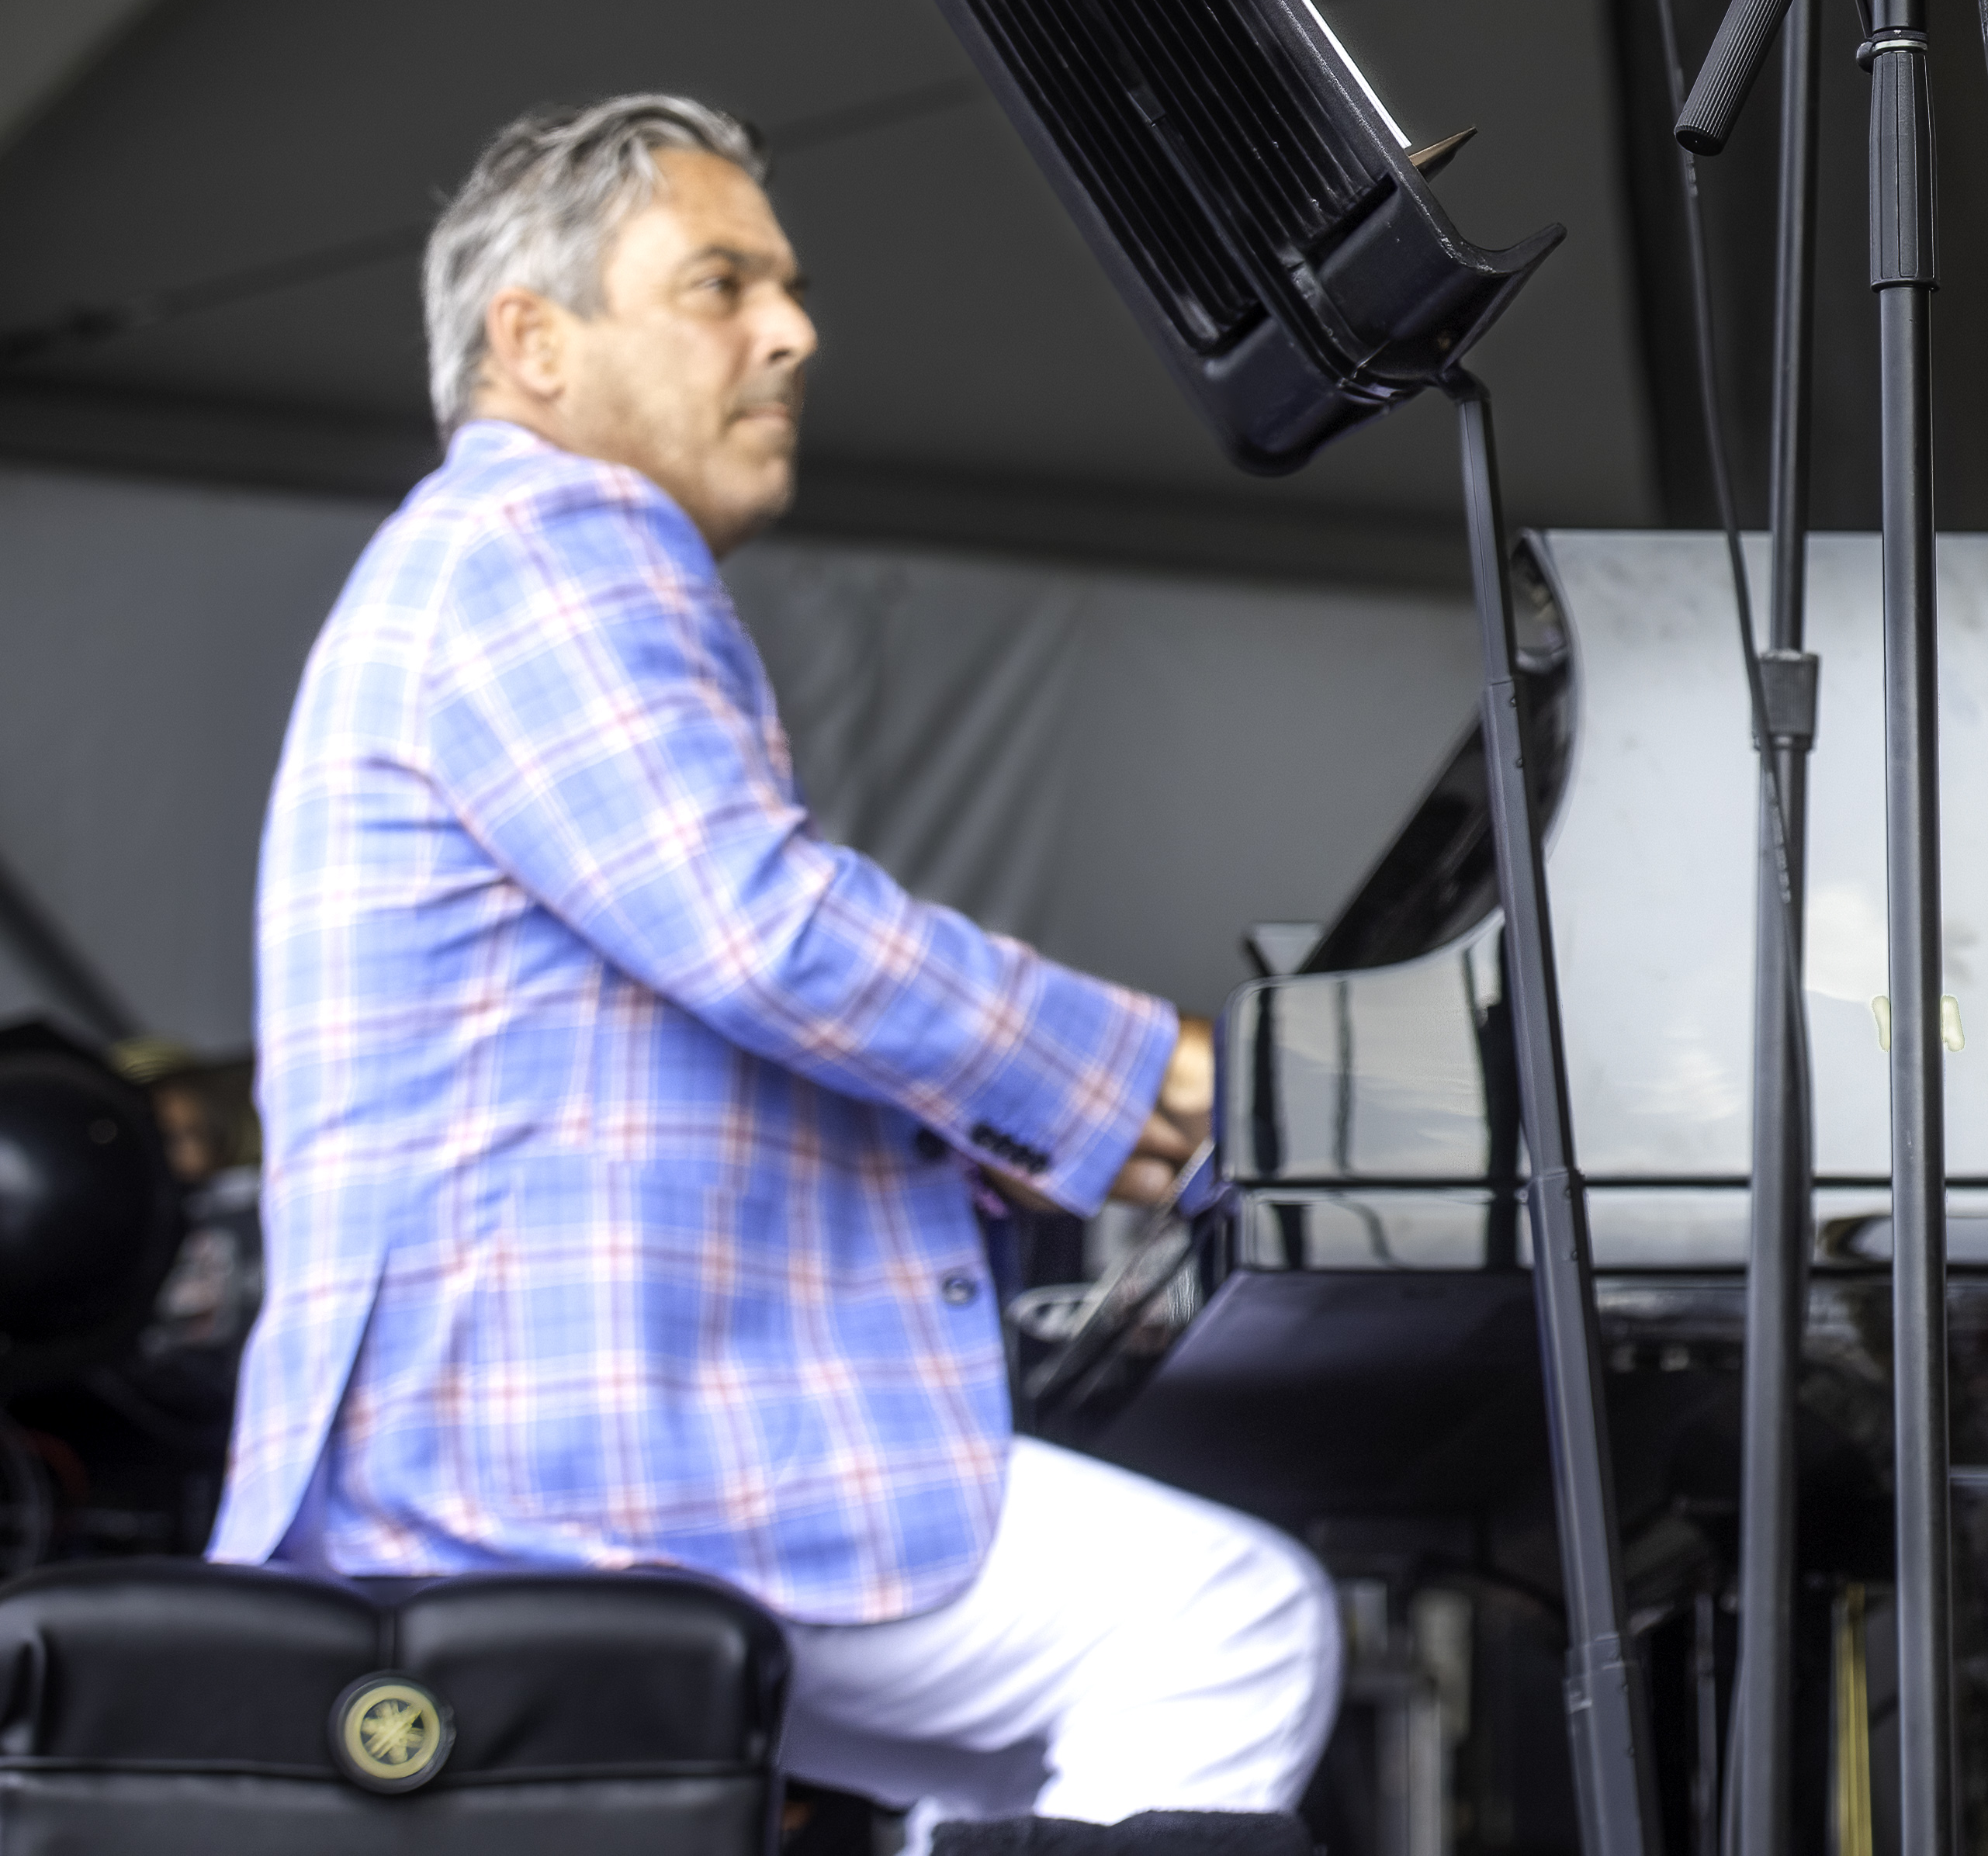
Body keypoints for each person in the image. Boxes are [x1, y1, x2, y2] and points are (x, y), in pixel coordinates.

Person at [216, 95, 1340, 1844]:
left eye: (788, 285)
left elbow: (669, 1003)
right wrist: (1159, 1076)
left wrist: (1009, 1138)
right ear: (533, 338)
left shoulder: (463, 569)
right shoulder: (553, 539)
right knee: (1225, 1624)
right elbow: (761, 923)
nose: (794, 328)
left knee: (1015, 1756)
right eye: (720, 281)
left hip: (467, 1455)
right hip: (546, 1473)